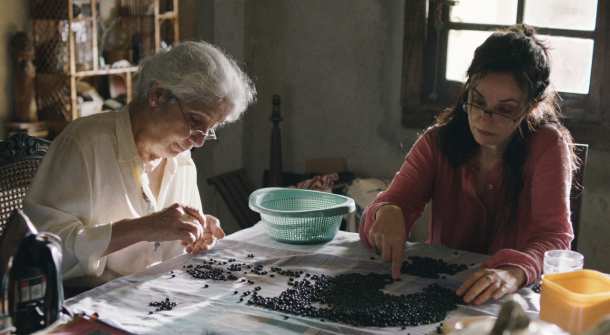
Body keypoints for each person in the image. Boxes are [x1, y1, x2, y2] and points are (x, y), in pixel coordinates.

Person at [359, 24, 579, 305]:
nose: (484, 120)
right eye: (478, 101)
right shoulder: (437, 142)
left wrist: (513, 273)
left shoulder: (547, 145)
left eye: (505, 110)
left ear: (532, 105)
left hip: (511, 296)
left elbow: (555, 238)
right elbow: (387, 210)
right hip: (437, 290)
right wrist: (385, 212)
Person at [23, 41, 256, 288]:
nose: (198, 141)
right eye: (195, 120)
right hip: (87, 304)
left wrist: (195, 232)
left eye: (210, 129)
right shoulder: (85, 143)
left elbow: (173, 248)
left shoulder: (182, 159)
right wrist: (142, 228)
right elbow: (39, 252)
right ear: (157, 94)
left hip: (154, 298)